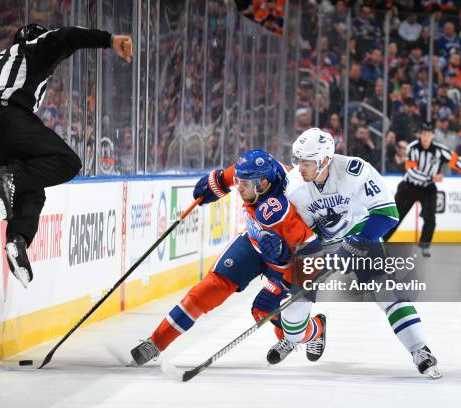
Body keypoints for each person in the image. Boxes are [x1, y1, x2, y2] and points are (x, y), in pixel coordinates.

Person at [0, 24, 132, 288]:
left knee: (34, 186)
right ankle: (6, 179)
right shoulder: (34, 50)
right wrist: (109, 39)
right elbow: (67, 37)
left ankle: (17, 239)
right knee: (68, 162)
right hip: (5, 121)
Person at [130, 149, 326, 366]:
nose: (239, 187)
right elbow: (238, 172)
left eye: (245, 184)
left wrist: (283, 259)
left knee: (264, 311)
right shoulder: (263, 171)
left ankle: (314, 331)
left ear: (262, 184)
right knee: (207, 290)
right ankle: (156, 342)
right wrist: (219, 183)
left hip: (288, 263)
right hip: (253, 243)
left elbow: (311, 251)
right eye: (238, 181)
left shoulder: (281, 209)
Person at [277, 127, 441, 378]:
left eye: (307, 162)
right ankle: (302, 334)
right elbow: (300, 232)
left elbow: (388, 215)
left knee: (386, 291)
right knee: (294, 310)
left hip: (361, 234)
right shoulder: (295, 186)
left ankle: (420, 350)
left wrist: (358, 242)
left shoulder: (356, 171)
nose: (300, 167)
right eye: (298, 160)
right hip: (318, 243)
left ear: (324, 160)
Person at [383, 122, 461, 257]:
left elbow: (457, 161)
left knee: (430, 218)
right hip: (408, 186)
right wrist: (431, 177)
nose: (425, 137)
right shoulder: (412, 148)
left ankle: (424, 245)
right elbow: (411, 171)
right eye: (423, 134)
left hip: (428, 189)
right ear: (420, 135)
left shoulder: (440, 150)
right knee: (395, 217)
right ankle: (380, 243)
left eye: (428, 134)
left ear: (432, 135)